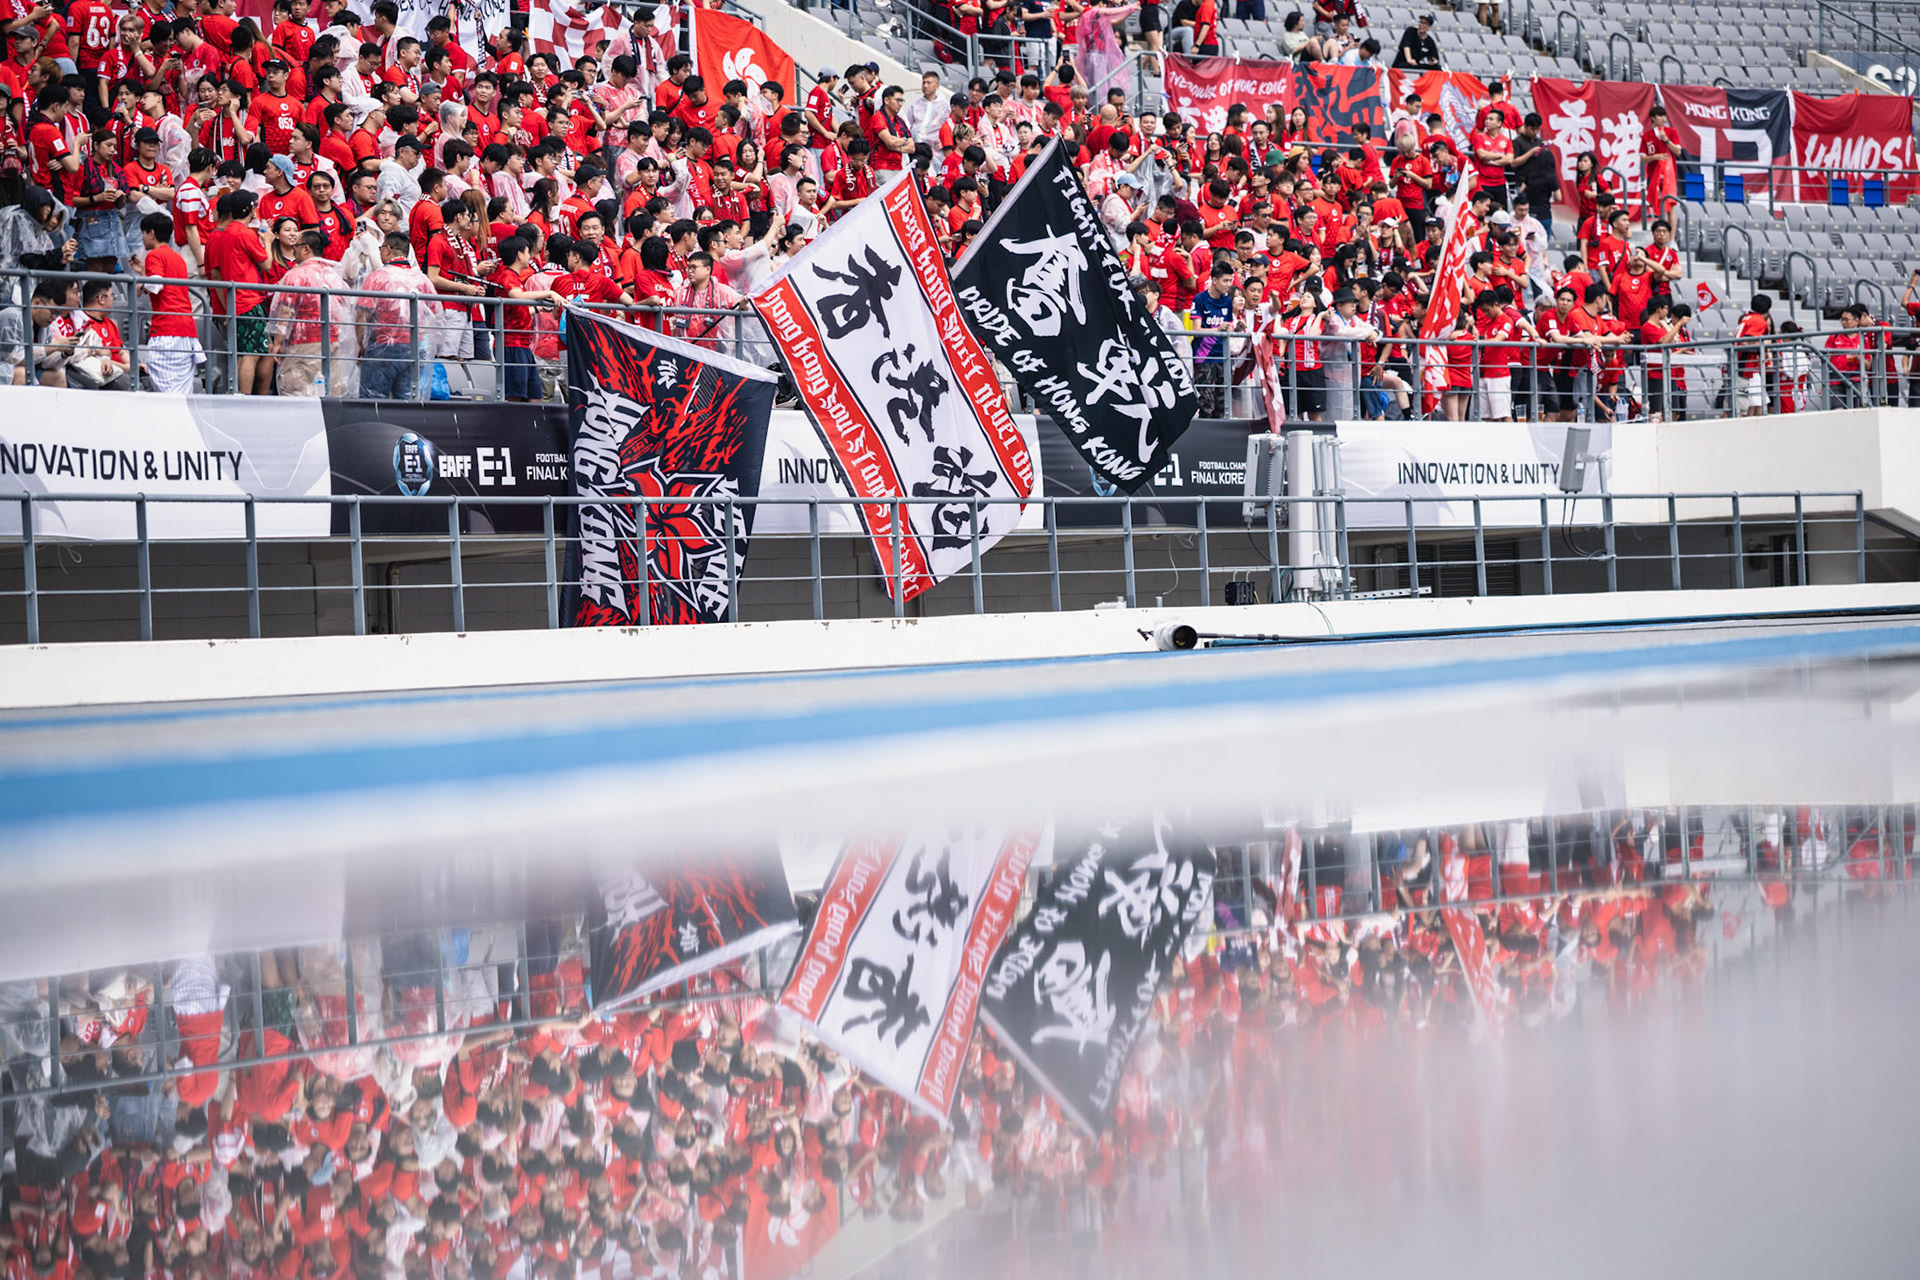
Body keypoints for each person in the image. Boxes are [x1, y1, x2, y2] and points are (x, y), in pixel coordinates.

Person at [135, 212, 203, 393]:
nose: (142, 237)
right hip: (187, 330)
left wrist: (139, 284)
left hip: (167, 329)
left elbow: (155, 285)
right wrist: (143, 273)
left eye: (143, 233)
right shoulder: (178, 258)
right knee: (182, 393)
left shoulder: (154, 255)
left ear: (151, 233)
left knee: (168, 395)